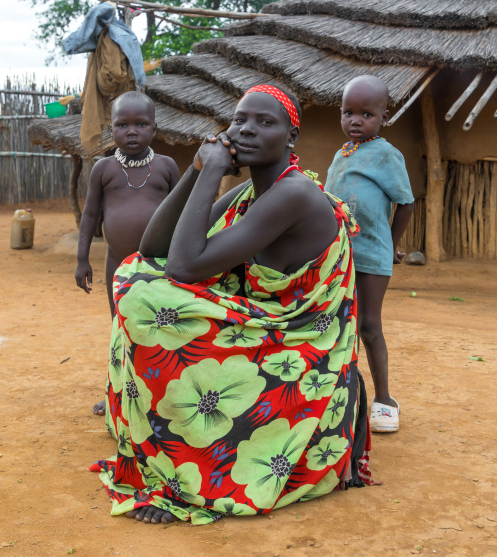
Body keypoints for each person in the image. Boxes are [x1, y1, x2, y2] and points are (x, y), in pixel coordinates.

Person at [90, 84, 375, 526]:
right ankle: (178, 435)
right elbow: (153, 249)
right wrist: (198, 168)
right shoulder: (253, 192)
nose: (247, 130)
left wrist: (211, 175)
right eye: (240, 119)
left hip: (302, 346)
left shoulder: (293, 194)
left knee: (149, 302)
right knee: (135, 277)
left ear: (290, 138)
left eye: (266, 122)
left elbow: (184, 267)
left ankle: (191, 458)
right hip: (268, 327)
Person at [75, 91, 180, 416]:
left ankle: (160, 399)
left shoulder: (166, 166)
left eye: (141, 124)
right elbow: (90, 215)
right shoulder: (103, 169)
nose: (131, 131)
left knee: (161, 328)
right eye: (122, 125)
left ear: (154, 129)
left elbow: (182, 212)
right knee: (120, 327)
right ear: (112, 129)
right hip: (117, 265)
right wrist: (81, 259)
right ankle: (116, 396)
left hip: (159, 266)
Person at [326, 75, 414, 434]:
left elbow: (406, 202)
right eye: (349, 113)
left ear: (384, 117)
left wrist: (391, 245)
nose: (356, 121)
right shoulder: (340, 154)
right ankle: (340, 396)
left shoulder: (387, 155)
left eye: (366, 114)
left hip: (373, 256)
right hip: (338, 254)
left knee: (369, 326)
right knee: (337, 324)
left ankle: (385, 400)